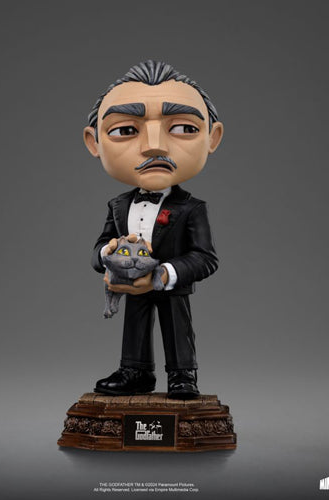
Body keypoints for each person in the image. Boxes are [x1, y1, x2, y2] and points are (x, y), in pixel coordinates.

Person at [84, 61, 224, 399]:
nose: (154, 146)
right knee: (134, 323)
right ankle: (135, 371)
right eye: (125, 130)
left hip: (171, 286)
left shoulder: (191, 208)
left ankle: (182, 374)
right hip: (129, 281)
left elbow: (206, 258)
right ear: (94, 142)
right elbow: (99, 247)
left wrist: (164, 274)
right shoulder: (118, 205)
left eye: (184, 128)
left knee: (177, 326)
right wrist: (108, 255)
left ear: (212, 137)